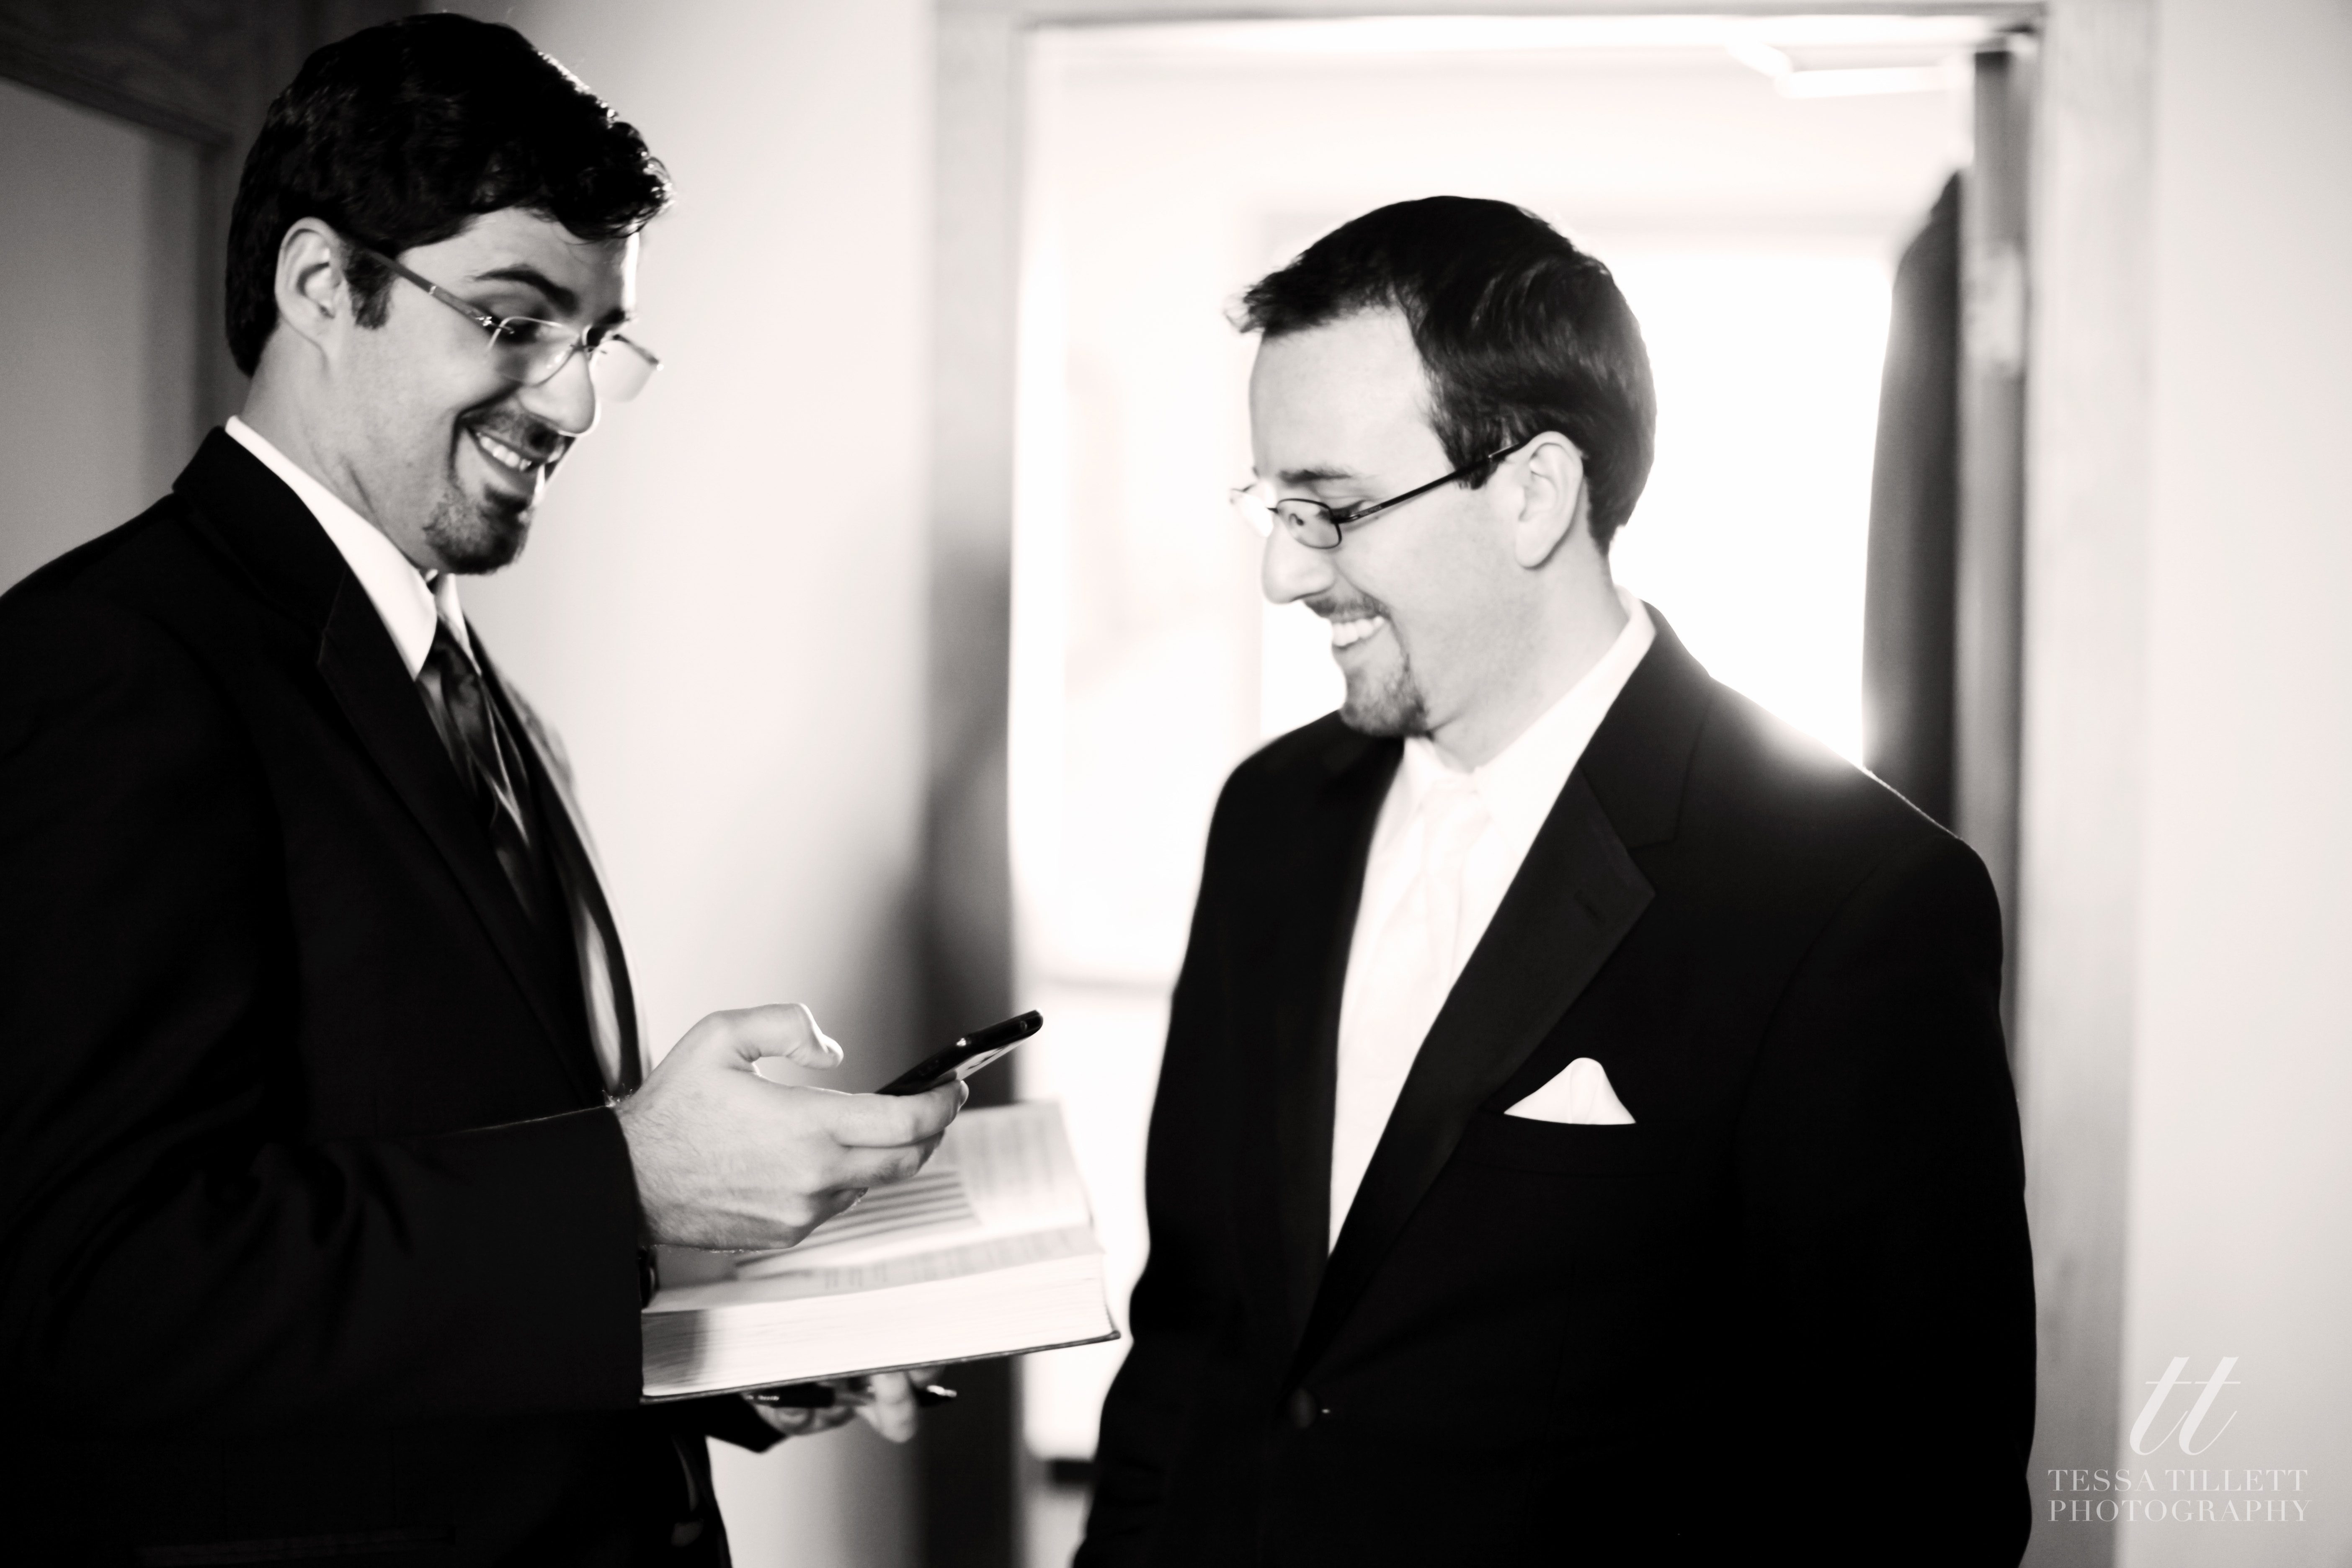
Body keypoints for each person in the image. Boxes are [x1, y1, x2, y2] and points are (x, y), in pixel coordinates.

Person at [0, 16, 962, 1565]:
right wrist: (631, 1178)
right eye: (516, 322)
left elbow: (450, 1202)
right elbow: (99, 1288)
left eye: (597, 340)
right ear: (324, 286)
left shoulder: (490, 699)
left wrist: (735, 1337)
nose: (572, 406)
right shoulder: (107, 667)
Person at [1078, 197, 2034, 1566]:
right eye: (1275, 507)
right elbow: (1193, 1333)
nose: (1285, 572)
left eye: (1332, 509)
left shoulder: (1851, 901)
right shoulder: (1271, 818)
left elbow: (1914, 1498)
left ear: (1533, 493)